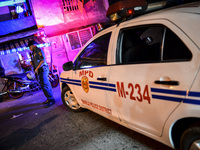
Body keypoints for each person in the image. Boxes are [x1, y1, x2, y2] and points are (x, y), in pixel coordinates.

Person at [28, 40, 55, 108]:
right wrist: (32, 64)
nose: (29, 48)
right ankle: (48, 98)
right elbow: (36, 62)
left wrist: (36, 68)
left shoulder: (39, 51)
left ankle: (51, 100)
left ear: (33, 45)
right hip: (39, 70)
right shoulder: (32, 53)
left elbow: (42, 61)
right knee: (43, 85)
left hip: (43, 69)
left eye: (29, 47)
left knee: (45, 85)